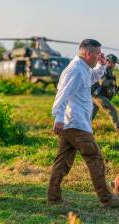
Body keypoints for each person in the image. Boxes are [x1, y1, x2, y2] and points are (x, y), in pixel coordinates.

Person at [48, 39, 119, 207]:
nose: (100, 56)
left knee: (62, 162)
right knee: (95, 159)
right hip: (76, 124)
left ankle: (53, 197)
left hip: (72, 124)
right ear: (88, 53)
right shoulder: (75, 70)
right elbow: (62, 95)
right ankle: (107, 199)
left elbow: (92, 78)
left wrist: (101, 66)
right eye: (97, 54)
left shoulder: (83, 68)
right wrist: (58, 118)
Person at [91, 54, 119, 131]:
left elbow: (112, 86)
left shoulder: (110, 72)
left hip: (100, 96)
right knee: (112, 110)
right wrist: (112, 82)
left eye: (115, 63)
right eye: (113, 63)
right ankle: (118, 128)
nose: (114, 65)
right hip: (98, 95)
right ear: (107, 61)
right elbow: (103, 83)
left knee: (90, 115)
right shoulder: (103, 70)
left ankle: (81, 129)